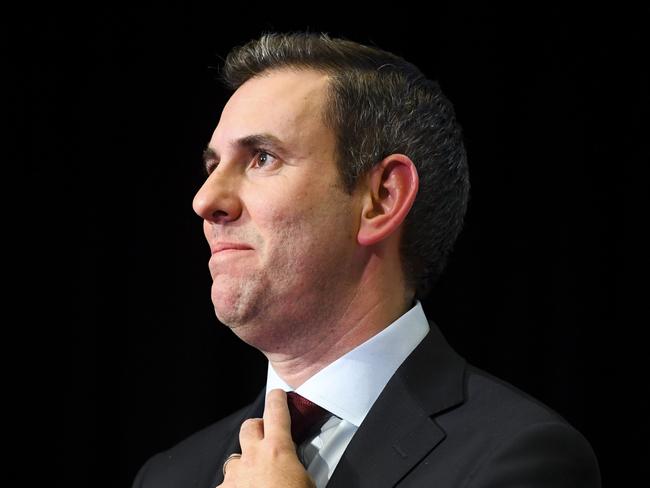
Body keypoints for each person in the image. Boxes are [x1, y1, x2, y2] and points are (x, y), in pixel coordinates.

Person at [132, 32, 601, 488]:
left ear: (382, 198)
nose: (205, 199)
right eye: (213, 167)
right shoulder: (171, 475)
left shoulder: (521, 458)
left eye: (262, 158)